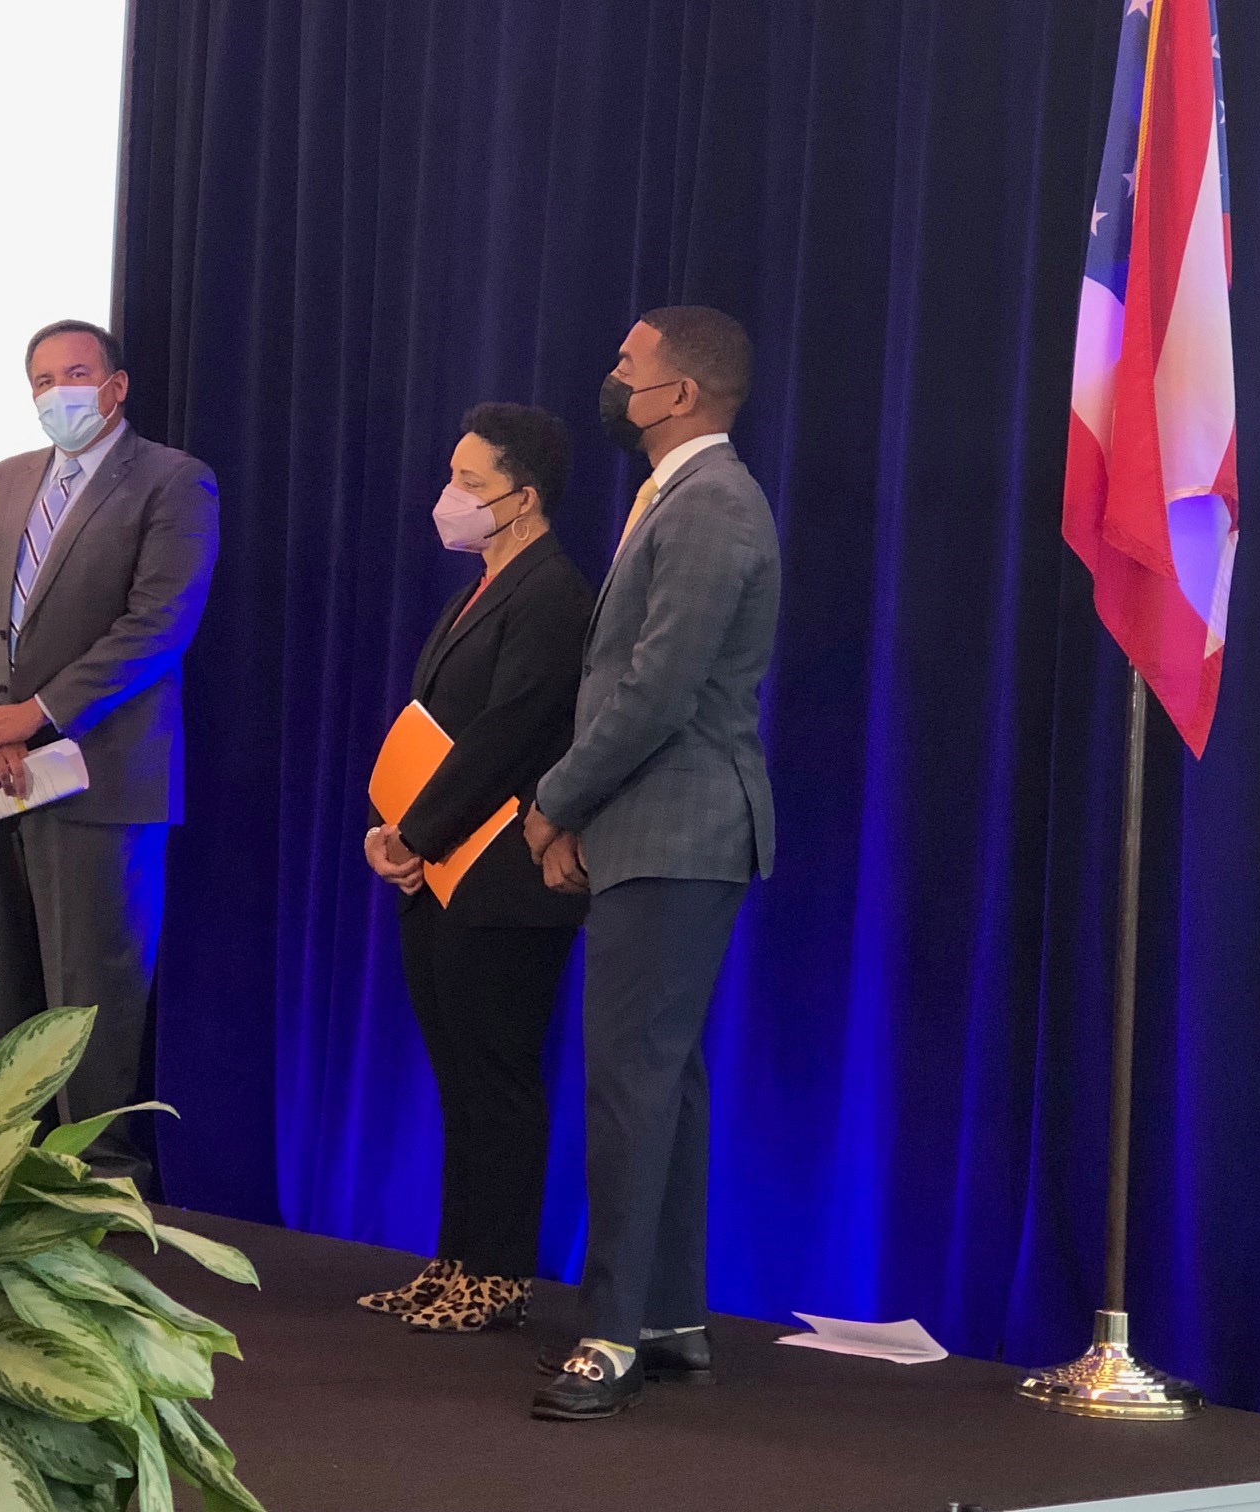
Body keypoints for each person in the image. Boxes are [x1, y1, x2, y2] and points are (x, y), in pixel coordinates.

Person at [523, 307, 779, 1421]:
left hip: (681, 825)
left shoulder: (712, 502)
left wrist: (555, 801)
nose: (613, 376)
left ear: (678, 393)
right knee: (662, 1076)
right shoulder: (676, 496)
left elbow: (659, 690)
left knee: (630, 1079)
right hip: (653, 825)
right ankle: (669, 1319)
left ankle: (610, 1336)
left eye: (629, 363)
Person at [0, 319, 219, 1184]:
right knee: (0, 997)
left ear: (115, 387)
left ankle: (97, 1191)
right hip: (0, 777)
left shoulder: (173, 481)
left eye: (74, 374)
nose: (56, 393)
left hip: (103, 781)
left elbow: (158, 625)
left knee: (91, 1006)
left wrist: (36, 714)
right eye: (41, 380)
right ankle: (0, 1180)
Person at [355, 403, 593, 1333]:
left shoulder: (553, 594)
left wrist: (418, 833)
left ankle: (498, 1274)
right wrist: (398, 833)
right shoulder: (485, 587)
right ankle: (454, 1259)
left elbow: (508, 733)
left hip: (503, 878)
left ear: (522, 498)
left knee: (496, 1074)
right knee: (457, 1071)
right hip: (443, 869)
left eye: (469, 482)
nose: (448, 497)